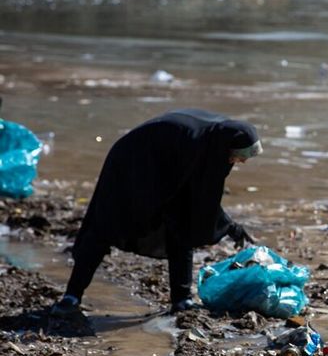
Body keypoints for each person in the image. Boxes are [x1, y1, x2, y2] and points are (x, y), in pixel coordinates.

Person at [51, 109, 262, 316]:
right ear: (227, 147)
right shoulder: (199, 145)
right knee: (107, 225)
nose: (241, 161)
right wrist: (228, 225)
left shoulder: (214, 143)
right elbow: (202, 199)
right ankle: (72, 296)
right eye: (239, 156)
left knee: (182, 226)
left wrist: (228, 225)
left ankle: (181, 300)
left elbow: (201, 200)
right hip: (130, 164)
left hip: (166, 166)